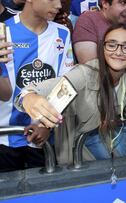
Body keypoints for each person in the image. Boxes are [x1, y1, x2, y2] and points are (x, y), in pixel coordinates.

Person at [16, 24, 126, 164]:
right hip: (79, 145)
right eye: (111, 45)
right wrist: (29, 99)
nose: (118, 52)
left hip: (108, 136)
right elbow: (32, 92)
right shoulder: (83, 75)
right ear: (103, 48)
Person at [0, 0, 73, 172]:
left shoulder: (63, 33)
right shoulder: (4, 32)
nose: (58, 5)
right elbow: (4, 94)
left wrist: (46, 125)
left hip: (43, 138)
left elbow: (66, 83)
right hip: (5, 137)